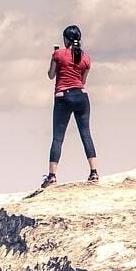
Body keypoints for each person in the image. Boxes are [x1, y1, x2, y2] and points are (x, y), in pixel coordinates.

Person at [41, 24, 99, 188]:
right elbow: (82, 81)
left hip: (63, 97)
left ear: (65, 39)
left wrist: (54, 58)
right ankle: (94, 172)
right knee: (86, 134)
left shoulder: (58, 54)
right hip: (81, 96)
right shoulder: (86, 58)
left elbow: (51, 75)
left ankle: (52, 176)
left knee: (58, 137)